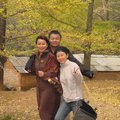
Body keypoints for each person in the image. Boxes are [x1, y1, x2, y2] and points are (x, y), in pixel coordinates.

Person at [29, 35, 61, 120]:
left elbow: (55, 71)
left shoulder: (51, 56)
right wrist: (30, 68)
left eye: (43, 44)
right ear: (36, 45)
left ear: (47, 45)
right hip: (39, 86)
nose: (41, 46)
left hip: (49, 86)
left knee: (45, 110)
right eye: (39, 44)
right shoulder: (36, 56)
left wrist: (44, 74)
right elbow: (34, 71)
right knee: (41, 108)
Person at [54, 46, 83, 120]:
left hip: (76, 100)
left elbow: (80, 82)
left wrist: (77, 75)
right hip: (66, 100)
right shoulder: (60, 68)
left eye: (62, 55)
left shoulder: (73, 65)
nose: (60, 57)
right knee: (58, 118)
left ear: (67, 55)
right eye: (58, 56)